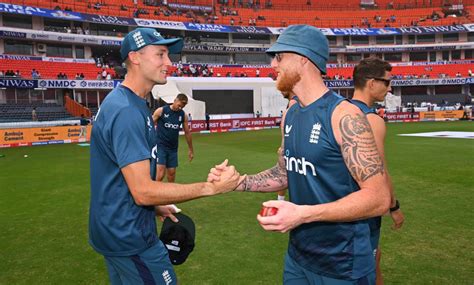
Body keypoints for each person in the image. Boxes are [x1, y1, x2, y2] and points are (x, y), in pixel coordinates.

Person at [209, 25, 390, 284]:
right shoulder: (290, 114)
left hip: (342, 265)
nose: (273, 64)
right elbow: (285, 172)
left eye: (279, 56)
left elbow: (379, 198)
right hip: (298, 258)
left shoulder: (344, 116)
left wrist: (302, 214)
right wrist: (239, 181)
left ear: (304, 59)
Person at [89, 27, 240, 285]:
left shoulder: (129, 102)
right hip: (130, 236)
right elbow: (142, 191)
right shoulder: (127, 110)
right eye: (160, 54)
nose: (169, 63)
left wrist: (154, 205)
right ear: (135, 58)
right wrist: (210, 188)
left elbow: (123, 177)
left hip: (116, 229)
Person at [351, 57, 405, 285]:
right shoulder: (372, 120)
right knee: (367, 271)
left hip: (337, 204)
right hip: (364, 211)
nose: (390, 88)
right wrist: (394, 207)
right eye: (386, 82)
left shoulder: (337, 111)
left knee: (373, 260)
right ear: (371, 83)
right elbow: (380, 172)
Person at [152, 93, 194, 183]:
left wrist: (190, 149)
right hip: (161, 146)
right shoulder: (161, 111)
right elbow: (149, 125)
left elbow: (187, 132)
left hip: (173, 148)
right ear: (175, 100)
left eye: (182, 106)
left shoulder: (183, 115)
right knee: (160, 174)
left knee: (171, 174)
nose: (180, 108)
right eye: (179, 105)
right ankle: (154, 195)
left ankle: (170, 195)